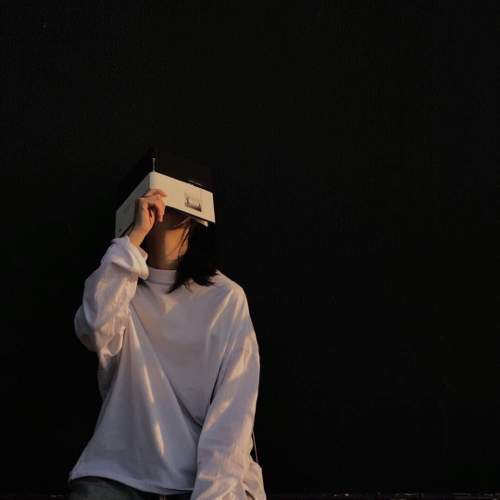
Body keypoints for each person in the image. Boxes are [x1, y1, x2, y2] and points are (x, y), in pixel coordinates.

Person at [67, 189, 265, 499]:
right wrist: (132, 239)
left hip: (202, 479)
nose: (162, 195)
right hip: (119, 474)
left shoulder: (226, 298)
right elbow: (92, 326)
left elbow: (233, 415)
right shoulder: (122, 288)